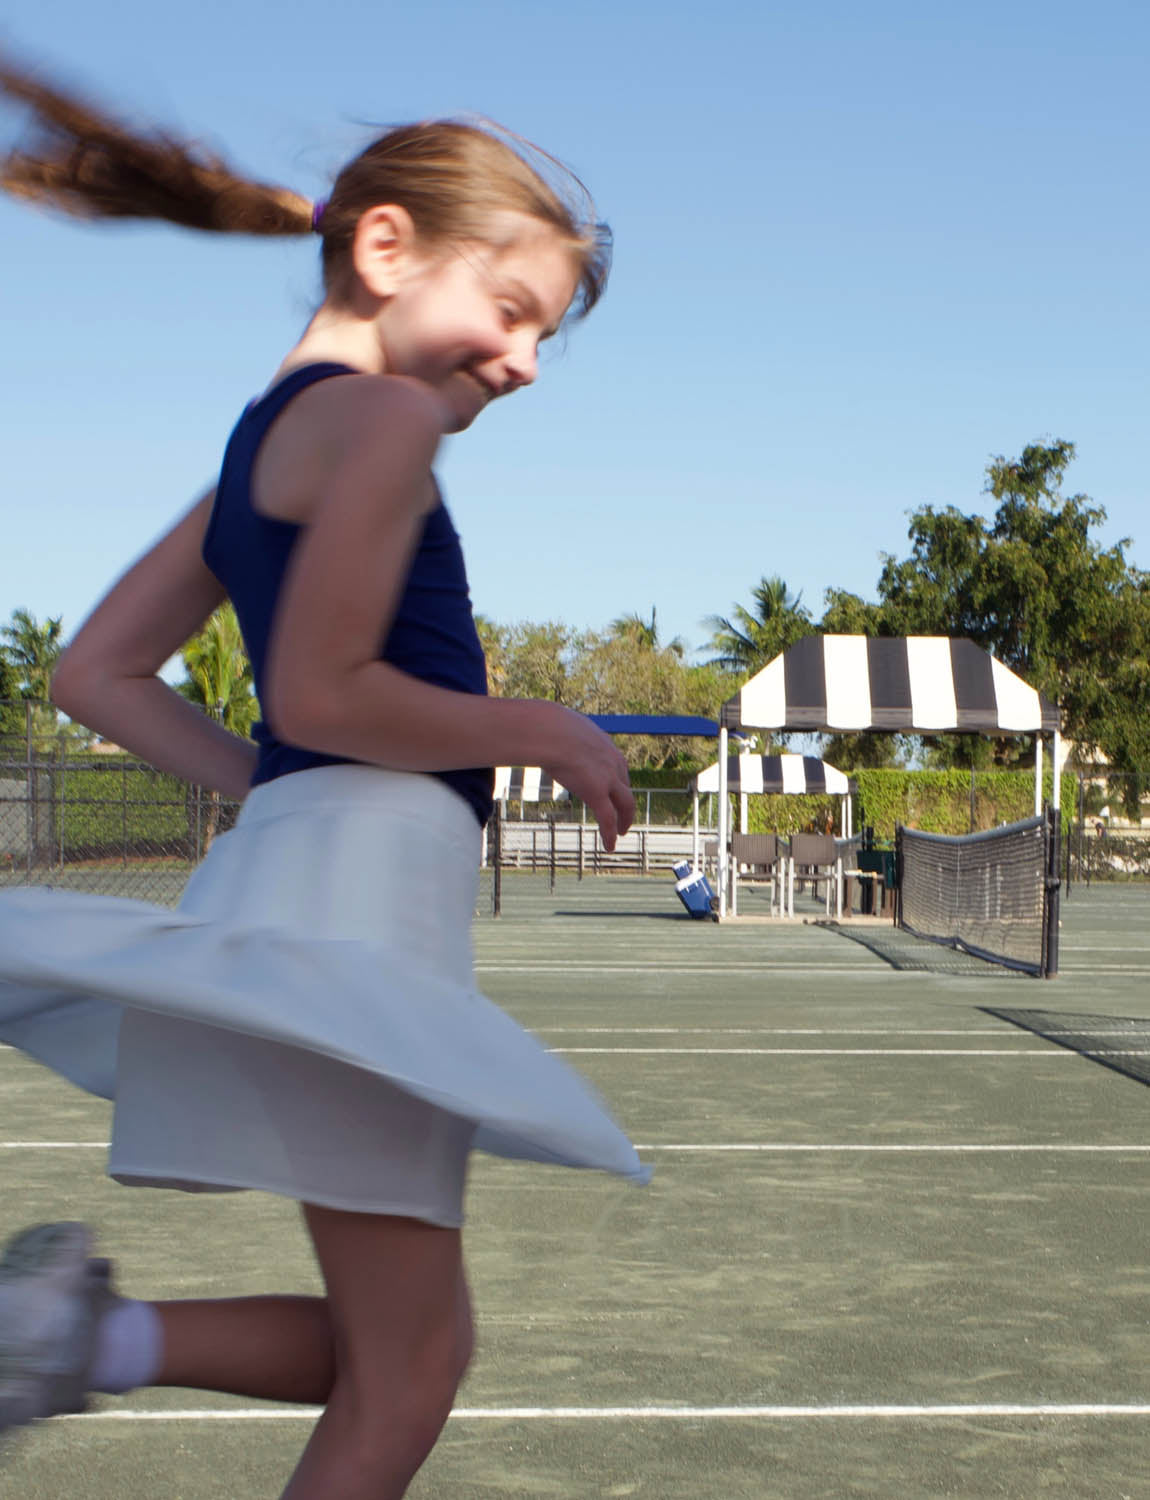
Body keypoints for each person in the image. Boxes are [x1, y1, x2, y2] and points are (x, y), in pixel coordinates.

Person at [0, 55, 646, 1500]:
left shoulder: (255, 446)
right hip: (359, 907)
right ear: (384, 248)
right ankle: (56, 1333)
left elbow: (94, 675)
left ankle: (74, 1338)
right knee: (410, 1375)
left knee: (397, 1351)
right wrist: (538, 726)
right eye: (512, 311)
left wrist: (283, 791)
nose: (525, 360)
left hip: (308, 876)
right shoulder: (385, 420)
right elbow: (323, 690)